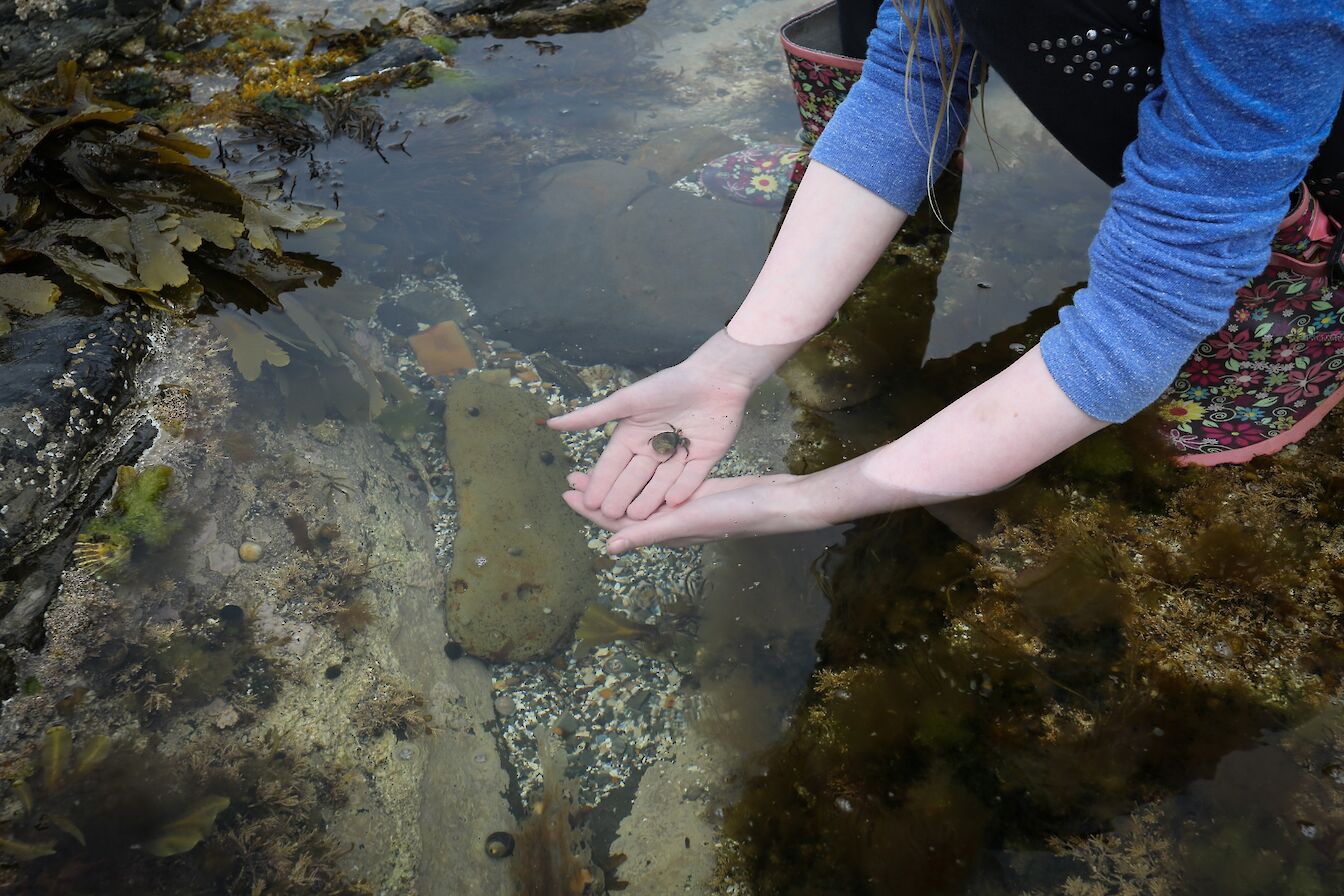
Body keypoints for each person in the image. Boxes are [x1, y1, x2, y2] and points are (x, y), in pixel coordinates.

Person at [550, 0, 1344, 554]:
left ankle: (1292, 273)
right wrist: (730, 361)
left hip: (1293, 78)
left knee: (1192, 203)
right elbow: (911, 74)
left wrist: (814, 495)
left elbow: (1147, 302)